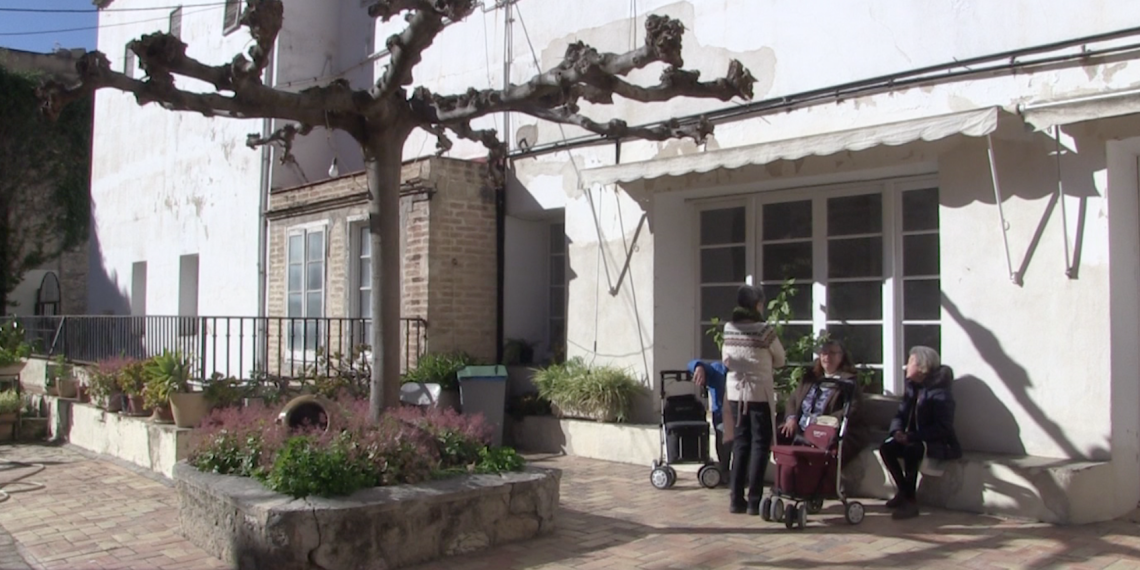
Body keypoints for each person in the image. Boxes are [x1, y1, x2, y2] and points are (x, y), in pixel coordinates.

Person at [721, 284, 785, 515]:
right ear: (758, 304)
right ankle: (754, 500)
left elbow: (726, 358)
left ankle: (735, 498)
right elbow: (780, 358)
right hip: (759, 392)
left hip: (737, 392)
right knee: (760, 443)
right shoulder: (764, 329)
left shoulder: (729, 328)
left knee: (741, 444)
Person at [878, 345, 962, 520]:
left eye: (910, 362)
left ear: (922, 367)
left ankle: (910, 502)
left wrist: (912, 436)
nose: (906, 366)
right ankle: (903, 491)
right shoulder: (912, 388)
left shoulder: (940, 394)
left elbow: (943, 428)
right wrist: (897, 431)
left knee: (912, 450)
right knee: (887, 448)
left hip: (938, 444)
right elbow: (900, 414)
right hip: (913, 438)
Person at [778, 340, 869, 461]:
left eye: (832, 353)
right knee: (775, 436)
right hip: (800, 428)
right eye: (824, 353)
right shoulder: (811, 377)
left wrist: (822, 422)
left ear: (841, 357)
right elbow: (793, 400)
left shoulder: (848, 381)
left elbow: (854, 408)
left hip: (825, 430)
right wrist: (791, 418)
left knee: (823, 450)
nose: (827, 357)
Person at [688, 358, 730, 479]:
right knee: (723, 433)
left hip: (742, 414)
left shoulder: (745, 371)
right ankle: (724, 469)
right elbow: (691, 364)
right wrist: (698, 367)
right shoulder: (718, 370)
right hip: (722, 416)